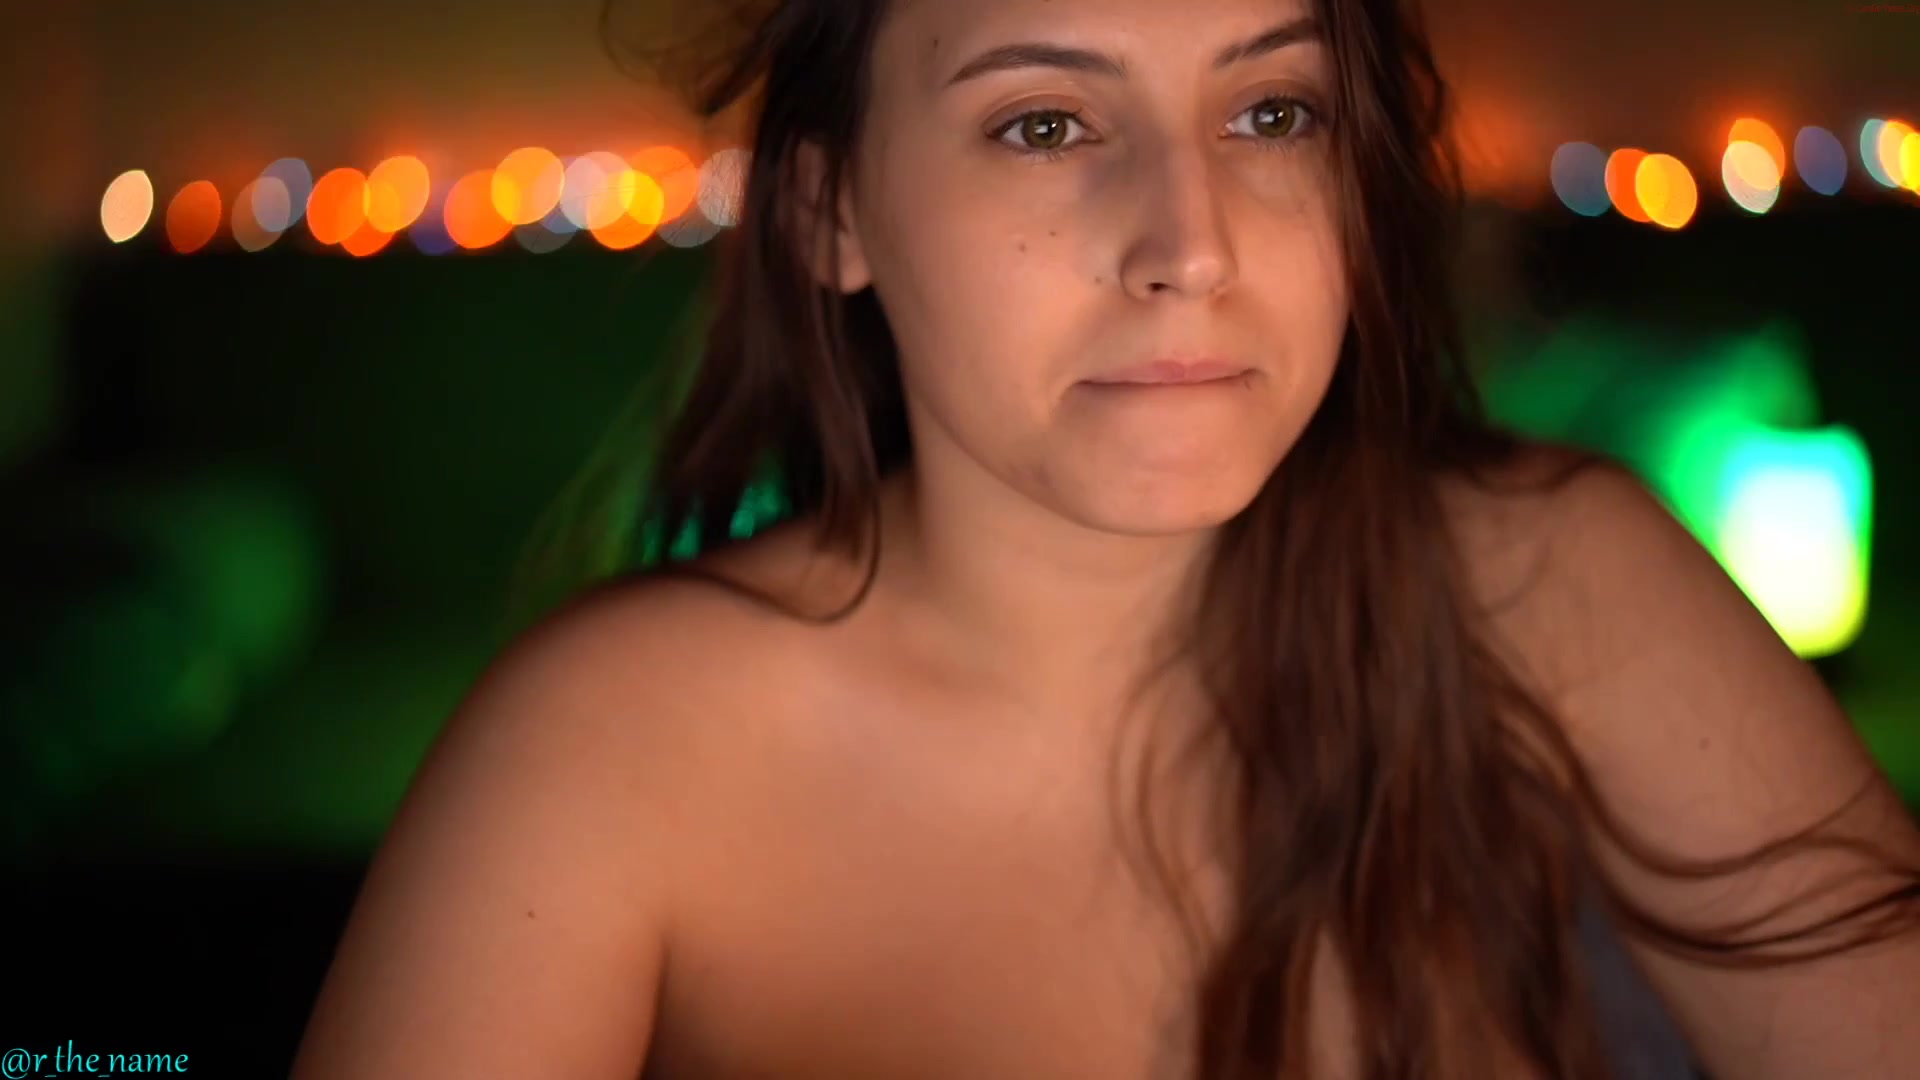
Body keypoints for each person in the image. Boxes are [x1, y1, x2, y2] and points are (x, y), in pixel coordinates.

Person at [289, 0, 1920, 1076]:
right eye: (1046, 125)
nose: (1189, 246)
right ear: (828, 211)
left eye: (1272, 112)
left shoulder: (1556, 587)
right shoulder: (621, 750)